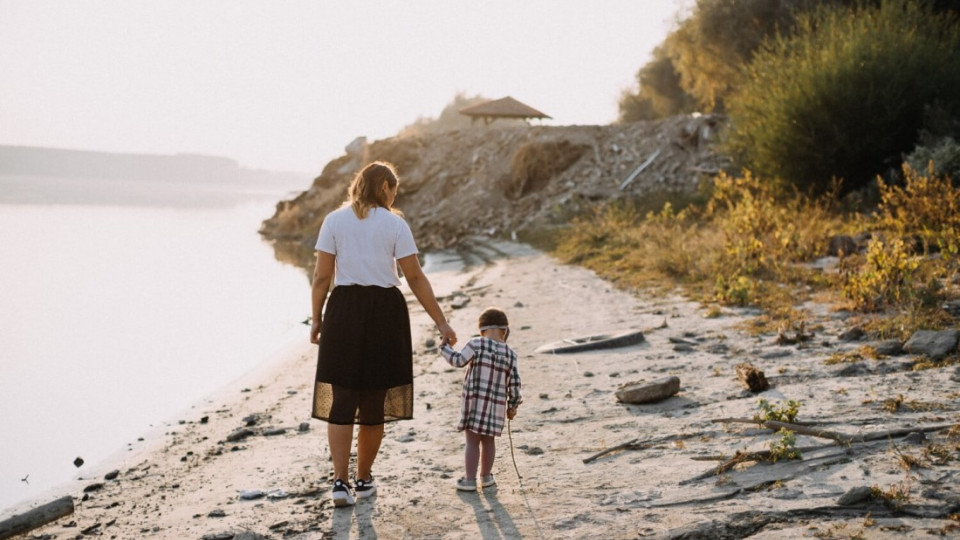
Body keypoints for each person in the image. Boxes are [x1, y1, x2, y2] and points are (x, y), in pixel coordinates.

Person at [310, 160, 457, 507]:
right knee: (374, 400)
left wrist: (316, 319)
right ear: (385, 188)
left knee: (342, 399)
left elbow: (321, 278)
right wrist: (442, 322)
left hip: (344, 309)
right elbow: (416, 278)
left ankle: (339, 483)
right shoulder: (395, 225)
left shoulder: (334, 220)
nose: (394, 197)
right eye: (394, 190)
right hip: (385, 313)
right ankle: (363, 480)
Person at [440, 307, 522, 491]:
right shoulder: (511, 354)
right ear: (505, 331)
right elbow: (515, 384)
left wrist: (444, 347)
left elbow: (458, 361)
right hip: (496, 409)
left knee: (472, 442)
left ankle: (469, 480)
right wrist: (513, 406)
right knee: (488, 442)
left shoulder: (476, 344)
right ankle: (486, 477)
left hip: (474, 405)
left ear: (482, 330)